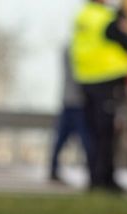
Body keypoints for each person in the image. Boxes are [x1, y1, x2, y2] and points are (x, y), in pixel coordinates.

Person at [70, 0, 127, 192]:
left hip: (86, 79)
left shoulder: (82, 16)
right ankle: (106, 179)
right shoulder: (106, 18)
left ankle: (94, 178)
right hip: (107, 79)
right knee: (107, 133)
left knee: (93, 132)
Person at [49, 42, 94, 184]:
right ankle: (93, 172)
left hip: (68, 100)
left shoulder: (69, 48)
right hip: (78, 102)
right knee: (86, 140)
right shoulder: (79, 49)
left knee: (61, 139)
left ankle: (53, 170)